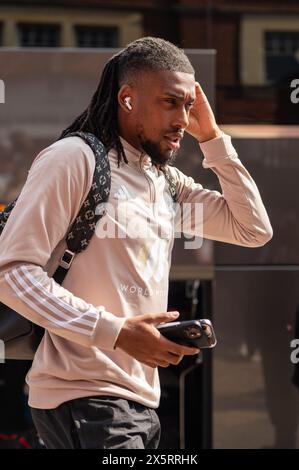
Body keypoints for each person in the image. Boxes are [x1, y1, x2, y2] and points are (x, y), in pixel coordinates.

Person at [0, 37, 273, 449]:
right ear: (127, 99)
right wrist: (116, 332)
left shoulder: (163, 183)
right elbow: (11, 273)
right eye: (170, 102)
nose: (183, 118)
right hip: (83, 396)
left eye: (188, 105)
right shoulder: (74, 159)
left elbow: (251, 228)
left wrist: (213, 137)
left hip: (139, 400)